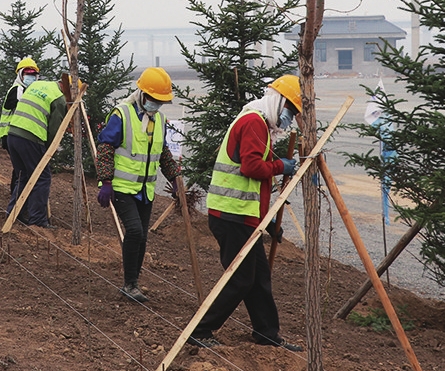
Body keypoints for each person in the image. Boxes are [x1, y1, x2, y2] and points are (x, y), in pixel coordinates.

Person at [188, 74, 303, 352]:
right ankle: (200, 330)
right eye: (290, 109)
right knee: (240, 279)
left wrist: (269, 218)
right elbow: (251, 167)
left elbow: (257, 166)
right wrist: (282, 167)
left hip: (243, 215)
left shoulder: (260, 123)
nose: (290, 117)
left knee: (259, 276)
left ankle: (267, 333)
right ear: (279, 101)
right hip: (231, 215)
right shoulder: (253, 122)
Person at [96, 67, 183, 303]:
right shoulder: (121, 115)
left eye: (160, 101)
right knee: (134, 231)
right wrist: (105, 182)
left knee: (142, 236)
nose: (156, 104)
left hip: (146, 190)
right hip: (122, 188)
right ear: (142, 94)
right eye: (153, 99)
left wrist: (175, 178)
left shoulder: (159, 119)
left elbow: (163, 152)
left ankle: (134, 283)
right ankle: (129, 284)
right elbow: (105, 148)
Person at [6, 75, 72, 228]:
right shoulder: (59, 99)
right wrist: (49, 151)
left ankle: (14, 213)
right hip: (31, 138)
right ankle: (38, 220)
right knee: (42, 178)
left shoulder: (38, 84)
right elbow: (54, 130)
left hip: (13, 133)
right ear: (67, 89)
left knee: (22, 175)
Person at [0, 58, 40, 193]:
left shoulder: (25, 89)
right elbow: (12, 104)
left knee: (19, 168)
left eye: (33, 74)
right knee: (21, 169)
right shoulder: (18, 89)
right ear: (20, 74)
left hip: (13, 135)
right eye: (27, 74)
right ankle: (17, 197)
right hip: (11, 134)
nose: (30, 77)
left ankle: (16, 195)